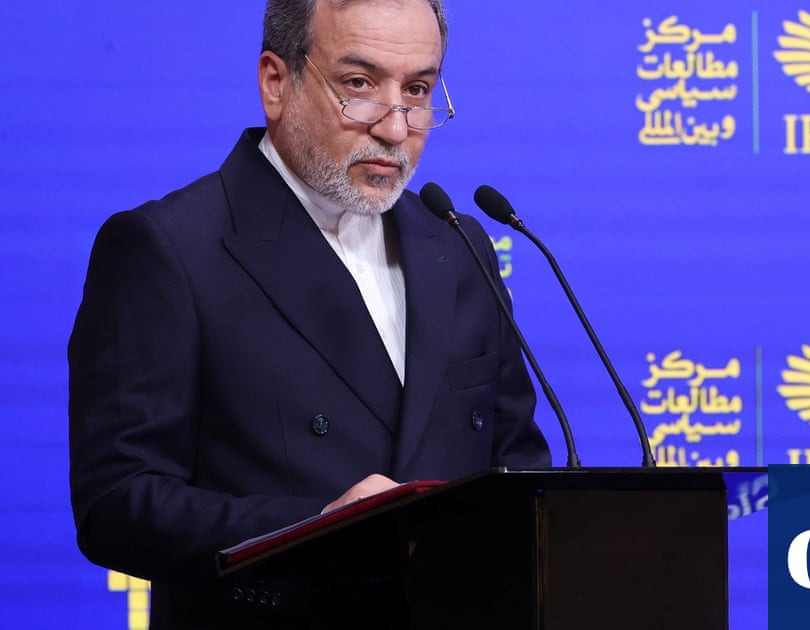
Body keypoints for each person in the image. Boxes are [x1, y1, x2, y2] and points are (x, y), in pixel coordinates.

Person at [67, 0, 550, 625]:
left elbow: (519, 470)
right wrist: (316, 529)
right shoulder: (170, 249)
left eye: (417, 90)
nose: (396, 128)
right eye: (360, 84)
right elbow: (117, 504)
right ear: (276, 82)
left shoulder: (459, 245)